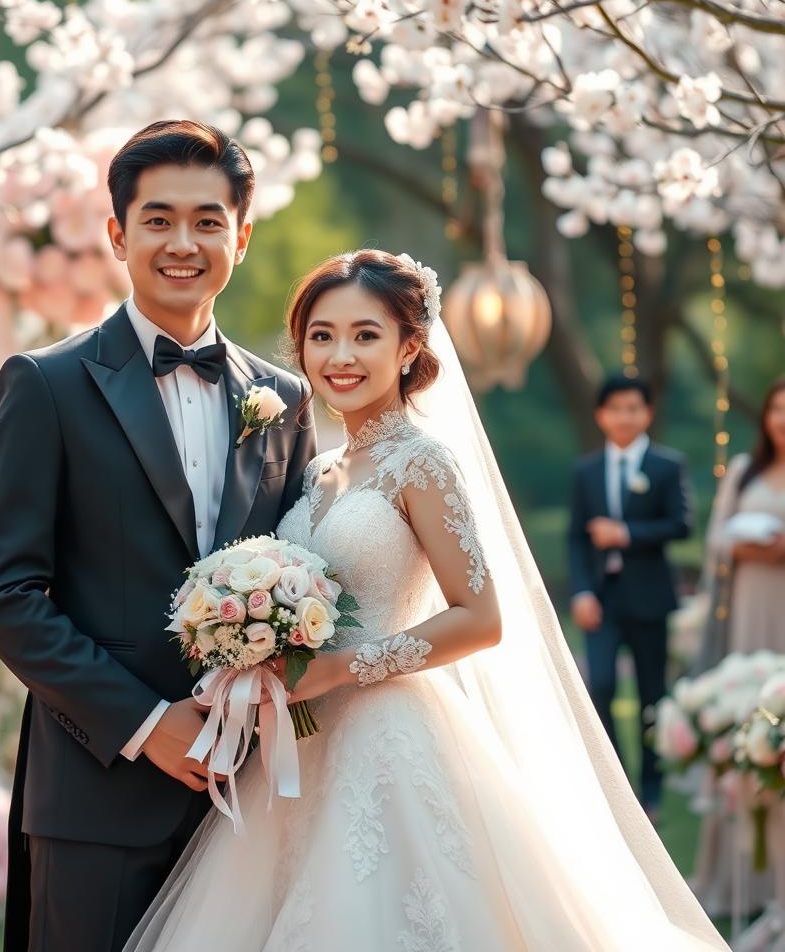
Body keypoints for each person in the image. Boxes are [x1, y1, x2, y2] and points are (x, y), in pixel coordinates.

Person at [124, 250, 726, 951]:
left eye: (365, 335)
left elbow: (481, 618)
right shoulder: (318, 471)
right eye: (322, 335)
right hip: (303, 742)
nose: (340, 356)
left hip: (388, 731)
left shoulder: (423, 462)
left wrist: (343, 667)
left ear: (409, 347)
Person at [0, 120, 317, 952]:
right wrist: (146, 722)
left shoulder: (285, 399)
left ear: (242, 236)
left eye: (207, 221)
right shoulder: (45, 383)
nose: (183, 243)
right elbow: (3, 594)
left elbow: (310, 570)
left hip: (250, 805)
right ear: (118, 235)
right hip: (98, 800)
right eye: (158, 220)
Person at [568, 376, 692, 819]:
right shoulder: (586, 471)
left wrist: (626, 533)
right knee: (600, 685)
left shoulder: (667, 466)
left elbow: (681, 525)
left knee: (651, 697)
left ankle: (652, 792)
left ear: (648, 413)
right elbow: (577, 538)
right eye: (616, 408)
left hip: (650, 598)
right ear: (601, 416)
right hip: (601, 601)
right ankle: (619, 788)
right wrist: (581, 591)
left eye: (633, 408)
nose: (625, 416)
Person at [691, 377, 785, 917]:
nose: (782, 419)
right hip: (748, 611)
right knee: (748, 722)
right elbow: (715, 541)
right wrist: (744, 548)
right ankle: (737, 877)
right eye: (776, 409)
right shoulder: (745, 471)